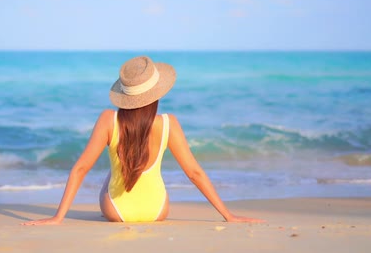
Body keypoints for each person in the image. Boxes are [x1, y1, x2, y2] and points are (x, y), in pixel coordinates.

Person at [21, 56, 264, 225]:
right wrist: (228, 215)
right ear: (156, 93)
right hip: (157, 211)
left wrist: (57, 218)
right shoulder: (169, 123)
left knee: (114, 167)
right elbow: (194, 173)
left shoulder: (108, 119)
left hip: (117, 212)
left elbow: (81, 168)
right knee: (151, 170)